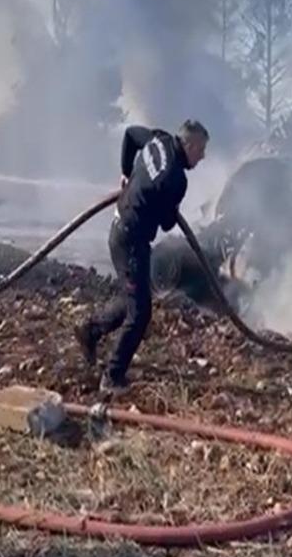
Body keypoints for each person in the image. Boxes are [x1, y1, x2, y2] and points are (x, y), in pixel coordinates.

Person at [76, 120, 209, 393]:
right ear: (191, 145)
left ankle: (90, 330)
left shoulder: (158, 140)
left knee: (134, 297)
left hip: (119, 228)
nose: (203, 157)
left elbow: (130, 134)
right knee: (141, 313)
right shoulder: (175, 179)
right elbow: (166, 224)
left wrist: (127, 172)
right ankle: (112, 377)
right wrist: (170, 207)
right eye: (202, 150)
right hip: (131, 242)